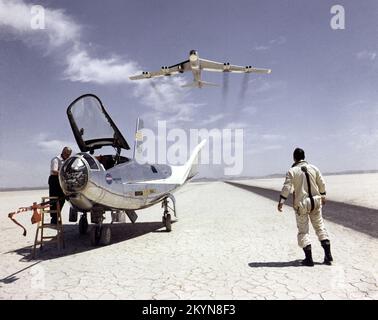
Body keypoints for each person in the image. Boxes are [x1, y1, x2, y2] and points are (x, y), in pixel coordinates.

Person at [277, 148, 333, 266]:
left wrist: (281, 201)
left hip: (302, 204)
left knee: (303, 230)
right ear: (304, 156)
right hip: (316, 202)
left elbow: (287, 187)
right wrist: (323, 195)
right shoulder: (314, 168)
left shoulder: (292, 171)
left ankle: (309, 259)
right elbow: (321, 183)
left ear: (294, 158)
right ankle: (328, 256)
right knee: (319, 227)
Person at [48, 146, 72, 224]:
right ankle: (54, 219)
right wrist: (64, 173)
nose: (68, 156)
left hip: (62, 180)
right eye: (67, 154)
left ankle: (57, 216)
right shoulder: (56, 159)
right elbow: (54, 171)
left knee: (62, 199)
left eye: (69, 155)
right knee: (54, 199)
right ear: (63, 152)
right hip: (54, 180)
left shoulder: (67, 160)